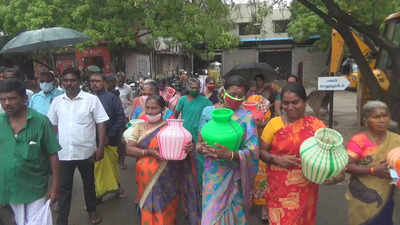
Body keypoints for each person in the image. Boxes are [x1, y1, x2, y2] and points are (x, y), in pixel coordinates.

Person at [126, 95, 201, 225]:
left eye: (154, 108)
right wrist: (148, 152)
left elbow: (186, 149)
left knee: (166, 205)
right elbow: (129, 149)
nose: (149, 111)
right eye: (147, 108)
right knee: (148, 205)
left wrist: (189, 148)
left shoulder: (173, 128)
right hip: (145, 176)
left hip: (168, 174)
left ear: (163, 109)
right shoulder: (139, 127)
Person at [47, 68, 109, 225]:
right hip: (64, 154)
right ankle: (62, 220)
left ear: (79, 82)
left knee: (89, 184)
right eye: (66, 80)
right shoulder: (57, 101)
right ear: (62, 82)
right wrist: (50, 150)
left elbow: (101, 123)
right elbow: (52, 126)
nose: (69, 83)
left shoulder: (91, 100)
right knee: (64, 188)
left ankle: (92, 211)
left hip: (86, 152)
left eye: (72, 80)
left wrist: (100, 147)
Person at [259, 83, 326, 225]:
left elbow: (328, 151)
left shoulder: (316, 125)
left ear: (305, 102)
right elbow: (261, 152)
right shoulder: (274, 124)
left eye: (295, 102)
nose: (290, 107)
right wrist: (276, 159)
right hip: (279, 188)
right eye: (286, 103)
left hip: (307, 186)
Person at [197, 75, 259, 225]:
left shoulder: (246, 117)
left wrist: (231, 155)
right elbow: (198, 143)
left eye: (240, 96)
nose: (236, 99)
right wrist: (202, 148)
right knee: (210, 219)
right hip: (213, 175)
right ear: (223, 92)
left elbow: (253, 150)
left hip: (235, 177)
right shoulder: (208, 112)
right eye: (232, 94)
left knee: (235, 217)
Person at [0, 79, 61, 225]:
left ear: (24, 99)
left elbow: (53, 154)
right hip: (8, 189)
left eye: (12, 98)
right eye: (2, 99)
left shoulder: (40, 122)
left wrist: (55, 187)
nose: (7, 103)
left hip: (35, 189)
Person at [345, 101, 400, 225]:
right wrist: (373, 170)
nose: (381, 120)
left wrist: (395, 175)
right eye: (376, 117)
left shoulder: (396, 140)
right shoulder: (359, 141)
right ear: (365, 120)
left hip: (387, 195)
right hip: (362, 198)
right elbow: (347, 166)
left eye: (384, 116)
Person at [89, 73, 126, 200]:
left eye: (97, 81)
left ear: (104, 83)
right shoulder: (87, 98)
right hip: (92, 141)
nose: (94, 83)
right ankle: (99, 193)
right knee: (97, 169)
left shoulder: (111, 98)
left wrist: (108, 136)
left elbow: (120, 118)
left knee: (111, 167)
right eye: (92, 81)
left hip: (110, 141)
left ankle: (115, 188)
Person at [175, 78, 212, 186]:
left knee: (199, 161)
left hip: (199, 135)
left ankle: (199, 185)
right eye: (192, 88)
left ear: (200, 88)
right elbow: (175, 115)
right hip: (184, 135)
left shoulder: (205, 101)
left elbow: (212, 113)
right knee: (182, 158)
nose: (194, 90)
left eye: (197, 88)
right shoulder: (182, 100)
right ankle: (182, 184)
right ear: (187, 87)